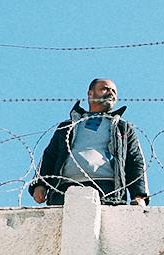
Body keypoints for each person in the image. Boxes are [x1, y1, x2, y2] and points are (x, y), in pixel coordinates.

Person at [31, 77, 149, 205]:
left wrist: (139, 195)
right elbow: (50, 156)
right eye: (104, 89)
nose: (111, 93)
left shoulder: (122, 128)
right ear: (90, 94)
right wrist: (40, 184)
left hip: (106, 189)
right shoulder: (68, 126)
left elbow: (135, 161)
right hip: (64, 188)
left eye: (114, 91)